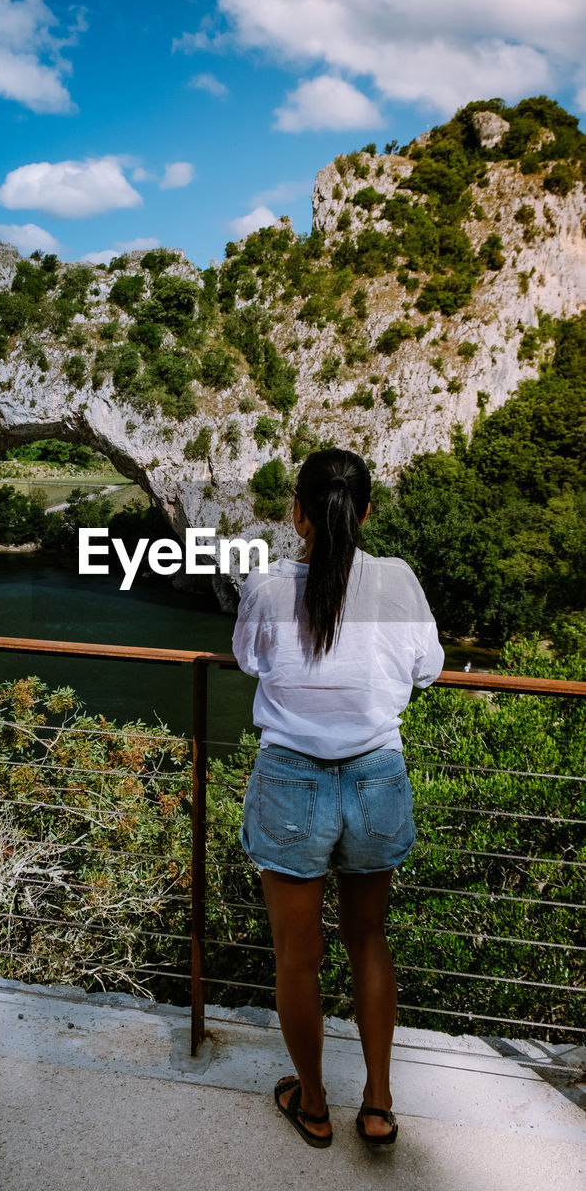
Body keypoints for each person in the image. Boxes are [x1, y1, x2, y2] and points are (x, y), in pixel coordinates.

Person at [232, 447, 443, 1148]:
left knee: (297, 953)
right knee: (368, 940)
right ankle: (378, 1106)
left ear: (298, 515)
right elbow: (426, 670)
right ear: (367, 511)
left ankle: (314, 1103)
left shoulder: (265, 587)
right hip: (374, 775)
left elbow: (251, 660)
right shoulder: (398, 580)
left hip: (290, 778)